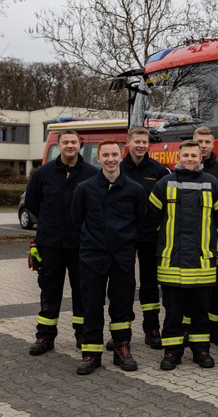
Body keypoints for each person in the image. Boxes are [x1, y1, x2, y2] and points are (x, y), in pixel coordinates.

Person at [147, 140, 218, 371]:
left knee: (200, 312)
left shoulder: (213, 184)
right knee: (173, 312)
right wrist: (167, 242)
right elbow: (152, 220)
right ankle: (172, 352)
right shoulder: (164, 184)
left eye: (194, 155)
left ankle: (201, 351)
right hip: (171, 261)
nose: (190, 159)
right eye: (186, 155)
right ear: (179, 157)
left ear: (200, 157)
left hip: (202, 262)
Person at [71, 139, 147, 375]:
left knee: (122, 307)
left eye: (115, 154)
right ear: (98, 158)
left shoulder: (135, 189)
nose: (111, 159)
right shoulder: (84, 188)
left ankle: (121, 348)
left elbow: (140, 223)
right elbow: (76, 222)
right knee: (91, 305)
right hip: (92, 258)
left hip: (122, 258)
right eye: (106, 155)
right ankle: (91, 353)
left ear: (121, 155)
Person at [24, 130, 98, 356]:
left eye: (73, 141)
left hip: (80, 245)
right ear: (58, 145)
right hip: (51, 244)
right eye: (65, 141)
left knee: (82, 291)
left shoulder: (92, 173)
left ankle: (83, 334)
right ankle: (45, 336)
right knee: (49, 291)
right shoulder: (43, 174)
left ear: (80, 144)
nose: (70, 145)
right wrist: (50, 224)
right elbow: (32, 203)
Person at [119, 126, 170, 349]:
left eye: (144, 142)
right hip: (124, 237)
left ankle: (152, 328)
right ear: (128, 142)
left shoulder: (159, 170)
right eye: (137, 141)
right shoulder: (118, 169)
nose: (141, 145)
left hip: (150, 237)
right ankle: (122, 330)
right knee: (124, 285)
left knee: (150, 284)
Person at [192, 126, 218, 347]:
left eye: (207, 142)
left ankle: (217, 329)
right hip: (193, 243)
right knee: (196, 288)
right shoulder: (185, 171)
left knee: (217, 288)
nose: (203, 146)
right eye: (199, 141)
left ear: (213, 144)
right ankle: (195, 329)